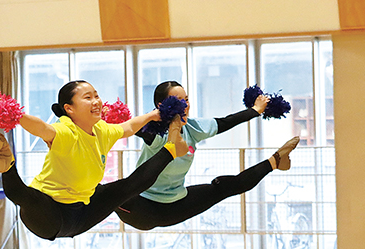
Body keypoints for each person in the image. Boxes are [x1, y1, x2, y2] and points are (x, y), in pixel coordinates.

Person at [0, 80, 189, 241]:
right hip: (46, 215)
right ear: (69, 109)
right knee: (24, 195)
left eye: (96, 95)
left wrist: (153, 115)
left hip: (80, 216)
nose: (96, 101)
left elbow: (128, 128)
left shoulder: (102, 129)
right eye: (88, 97)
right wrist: (16, 115)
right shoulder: (66, 131)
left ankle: (170, 149)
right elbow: (43, 128)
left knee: (128, 187)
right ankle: (8, 167)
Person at [115, 80, 300, 230]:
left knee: (223, 186)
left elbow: (226, 122)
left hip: (173, 207)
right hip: (141, 209)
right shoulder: (154, 133)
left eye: (186, 99)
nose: (185, 105)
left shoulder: (193, 128)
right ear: (162, 106)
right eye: (179, 100)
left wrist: (256, 110)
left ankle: (276, 161)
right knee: (105, 193)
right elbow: (129, 127)